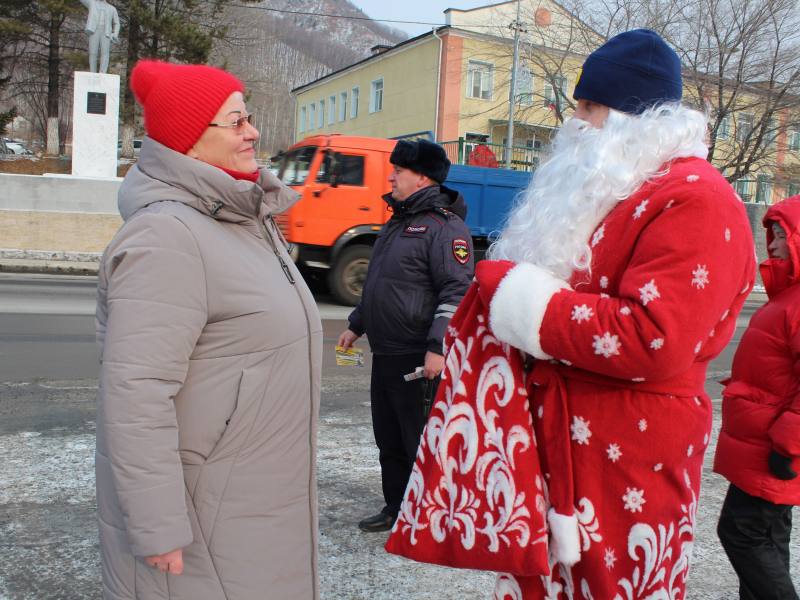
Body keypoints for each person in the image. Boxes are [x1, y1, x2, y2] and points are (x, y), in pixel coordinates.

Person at [390, 29, 756, 597]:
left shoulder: (697, 199)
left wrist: (519, 299)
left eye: (588, 107)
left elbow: (653, 338)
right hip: (566, 446)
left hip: (625, 455)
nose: (574, 123)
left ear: (632, 118)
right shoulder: (625, 188)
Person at [95, 60, 322, 599]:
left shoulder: (243, 219)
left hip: (254, 499)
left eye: (248, 117)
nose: (253, 131)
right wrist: (156, 524)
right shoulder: (169, 237)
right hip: (204, 516)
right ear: (190, 139)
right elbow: (136, 392)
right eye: (236, 121)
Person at [337, 139, 474, 533]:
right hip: (387, 352)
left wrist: (438, 347)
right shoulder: (397, 222)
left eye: (399, 170)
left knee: (419, 439)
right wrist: (356, 323)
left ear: (423, 178)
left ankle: (426, 517)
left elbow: (456, 291)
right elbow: (382, 282)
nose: (391, 175)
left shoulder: (446, 228)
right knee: (390, 439)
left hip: (417, 354)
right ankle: (396, 508)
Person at [714, 196, 800, 600]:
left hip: (776, 445)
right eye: (775, 235)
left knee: (741, 532)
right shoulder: (790, 296)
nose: (775, 244)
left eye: (786, 235)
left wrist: (789, 443)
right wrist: (746, 382)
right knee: (768, 534)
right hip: (765, 436)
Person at [79, 0, 120, 73]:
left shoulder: (112, 8)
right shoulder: (92, 3)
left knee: (105, 53)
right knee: (93, 53)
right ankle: (92, 72)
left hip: (106, 32)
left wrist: (115, 33)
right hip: (94, 30)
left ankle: (102, 73)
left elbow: (117, 23)